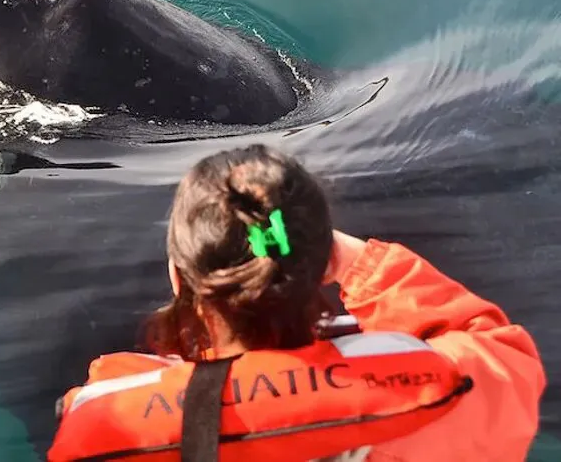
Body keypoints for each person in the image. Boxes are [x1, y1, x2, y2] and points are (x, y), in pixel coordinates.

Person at [49, 144, 545, 462]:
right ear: (322, 261)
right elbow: (501, 353)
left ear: (179, 278)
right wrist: (359, 262)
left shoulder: (108, 421)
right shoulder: (443, 395)